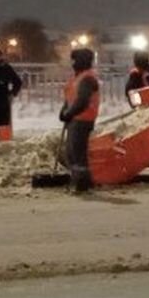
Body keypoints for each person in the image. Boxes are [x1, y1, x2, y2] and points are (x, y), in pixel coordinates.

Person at [59, 48, 100, 194]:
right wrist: (64, 111)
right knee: (71, 153)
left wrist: (69, 113)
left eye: (74, 60)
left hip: (83, 120)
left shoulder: (87, 79)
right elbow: (71, 97)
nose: (72, 63)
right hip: (75, 119)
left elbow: (82, 101)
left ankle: (82, 185)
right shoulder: (78, 77)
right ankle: (79, 181)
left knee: (77, 153)